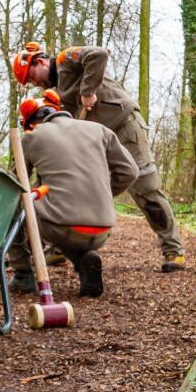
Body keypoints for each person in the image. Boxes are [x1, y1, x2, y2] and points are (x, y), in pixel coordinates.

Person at [11, 42, 186, 270]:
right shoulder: (56, 95)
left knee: (145, 188)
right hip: (97, 142)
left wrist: (88, 91)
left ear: (40, 61)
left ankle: (173, 250)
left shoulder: (66, 60)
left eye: (31, 77)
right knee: (72, 185)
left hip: (124, 127)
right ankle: (57, 248)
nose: (34, 83)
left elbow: (99, 54)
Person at [11, 100, 139, 298]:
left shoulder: (32, 137)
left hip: (60, 226)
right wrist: (103, 194)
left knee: (16, 207)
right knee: (61, 215)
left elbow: (15, 186)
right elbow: (130, 171)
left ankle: (23, 275)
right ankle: (84, 260)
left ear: (33, 124)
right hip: (102, 230)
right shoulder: (101, 130)